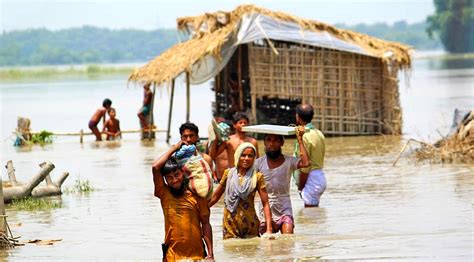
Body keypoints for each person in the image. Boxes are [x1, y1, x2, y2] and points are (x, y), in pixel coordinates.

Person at [152, 142, 213, 261]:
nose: (174, 180)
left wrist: (211, 255)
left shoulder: (197, 195)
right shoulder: (163, 193)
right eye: (169, 177)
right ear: (165, 179)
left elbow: (205, 224)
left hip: (197, 256)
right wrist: (175, 148)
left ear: (183, 173)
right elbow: (155, 167)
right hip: (172, 256)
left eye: (177, 175)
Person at [209, 142, 273, 239]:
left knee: (250, 251)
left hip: (250, 224)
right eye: (243, 155)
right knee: (231, 251)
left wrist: (269, 229)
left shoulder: (257, 177)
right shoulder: (228, 173)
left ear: (254, 158)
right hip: (230, 224)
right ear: (238, 155)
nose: (246, 158)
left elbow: (265, 203)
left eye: (250, 156)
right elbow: (215, 197)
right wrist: (201, 211)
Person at [255, 129, 309, 235]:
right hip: (265, 209)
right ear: (264, 143)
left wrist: (300, 140)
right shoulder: (258, 164)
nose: (272, 144)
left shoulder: (289, 161)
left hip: (284, 208)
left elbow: (305, 163)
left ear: (282, 143)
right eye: (269, 140)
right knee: (267, 246)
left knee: (288, 241)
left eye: (276, 140)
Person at [294, 104, 326, 207]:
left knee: (309, 217)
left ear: (298, 117)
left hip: (310, 178)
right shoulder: (318, 133)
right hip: (320, 176)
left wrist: (300, 186)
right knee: (314, 216)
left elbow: (305, 166)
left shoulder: (304, 136)